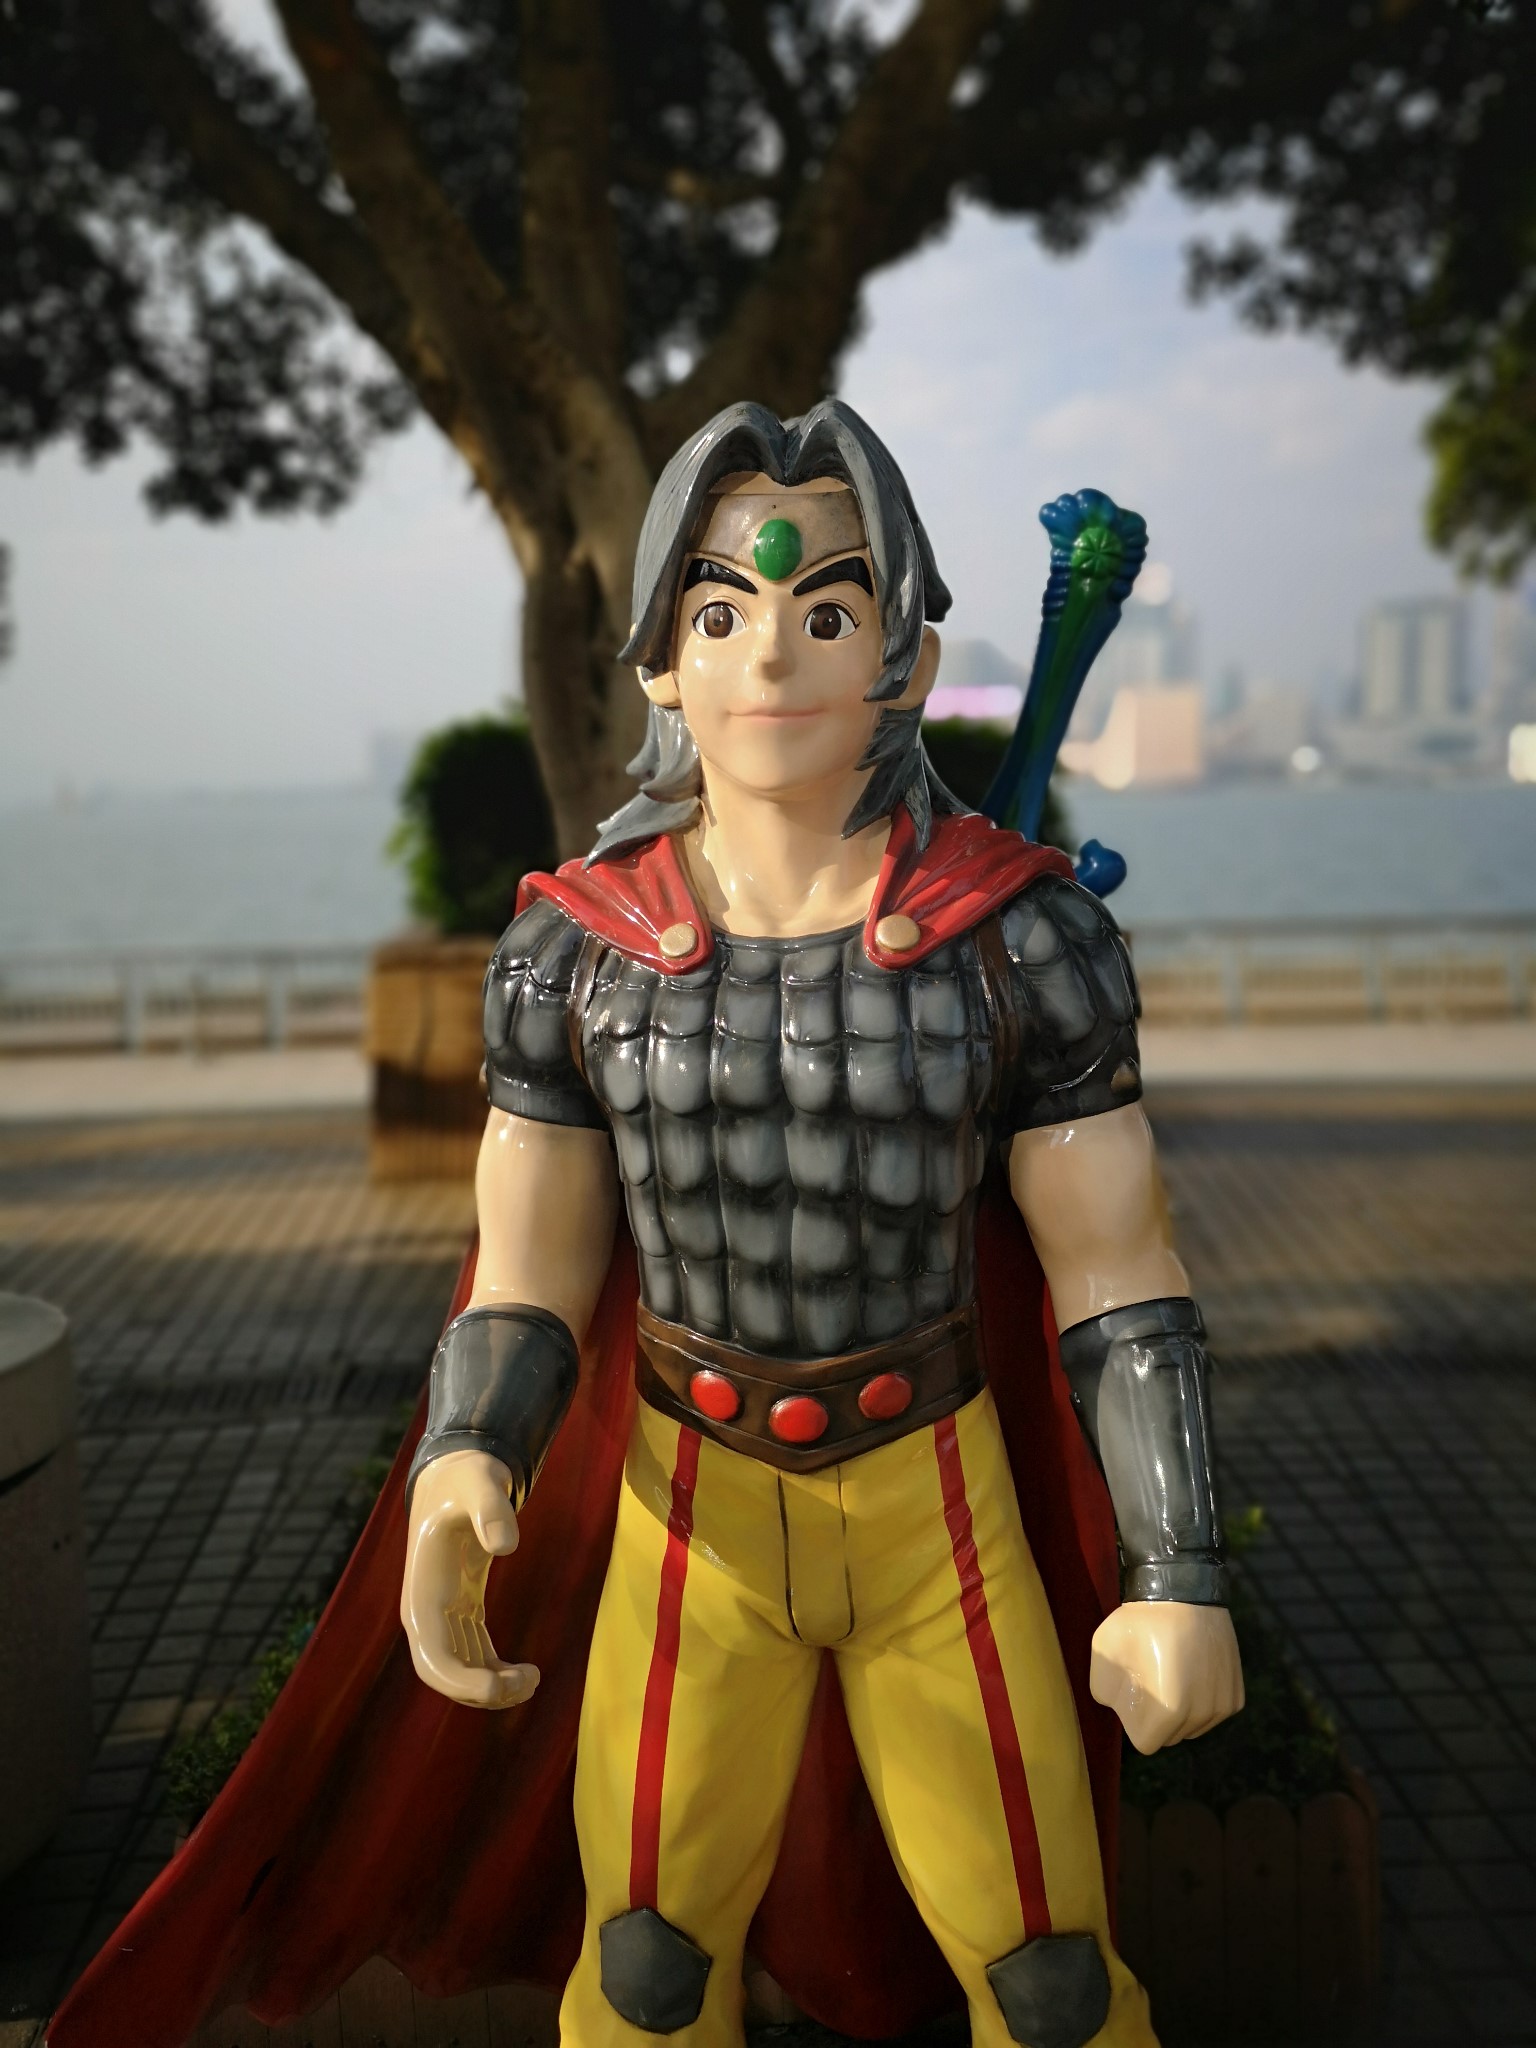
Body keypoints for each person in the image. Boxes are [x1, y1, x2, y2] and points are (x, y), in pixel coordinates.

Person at [401, 397, 1244, 2048]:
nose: (773, 653)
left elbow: (1119, 1273)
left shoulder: (1018, 943)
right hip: (689, 1513)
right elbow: (529, 1267)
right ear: (661, 664)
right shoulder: (578, 956)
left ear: (904, 660)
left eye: (830, 610)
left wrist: (1178, 1565)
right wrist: (464, 1451)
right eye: (721, 612)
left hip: (936, 1503)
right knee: (645, 1971)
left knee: (1052, 1983)